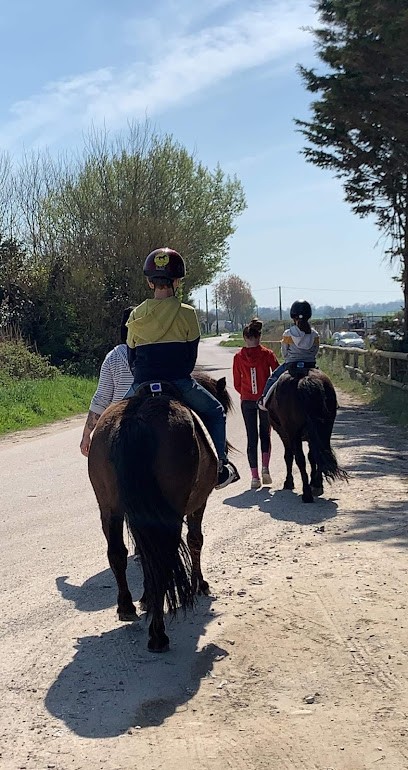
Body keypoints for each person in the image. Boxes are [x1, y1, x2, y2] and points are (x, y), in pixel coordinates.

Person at [125, 247, 240, 490]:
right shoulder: (188, 314)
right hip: (178, 382)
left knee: (111, 419)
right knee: (216, 411)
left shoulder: (135, 315)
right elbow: (190, 360)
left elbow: (131, 358)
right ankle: (220, 468)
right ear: (177, 282)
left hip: (142, 383)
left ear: (149, 282)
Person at [80, 306, 135, 457]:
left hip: (119, 422)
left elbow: (102, 399)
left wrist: (86, 435)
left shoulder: (114, 357)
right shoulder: (154, 354)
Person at [233, 318, 279, 489]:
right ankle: (266, 468)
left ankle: (254, 477)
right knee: (265, 434)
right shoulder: (267, 354)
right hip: (265, 400)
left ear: (245, 338)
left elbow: (237, 383)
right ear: (259, 336)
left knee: (251, 438)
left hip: (247, 401)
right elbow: (277, 375)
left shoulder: (238, 357)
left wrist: (246, 394)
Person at [258, 300, 319, 410]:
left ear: (293, 316)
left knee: (273, 377)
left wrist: (289, 358)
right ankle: (333, 403)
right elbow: (315, 350)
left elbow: (284, 351)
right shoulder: (315, 334)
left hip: (291, 364)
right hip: (310, 364)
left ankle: (264, 399)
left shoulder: (288, 334)